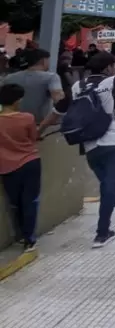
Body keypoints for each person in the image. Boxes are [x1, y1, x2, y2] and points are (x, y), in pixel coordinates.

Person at [63, 52, 115, 247]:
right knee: (110, 184)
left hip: (88, 142)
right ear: (108, 67)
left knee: (109, 184)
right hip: (113, 137)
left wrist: (41, 129)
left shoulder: (78, 86)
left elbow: (61, 109)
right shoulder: (113, 81)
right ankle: (102, 232)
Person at [0, 84, 41, 251]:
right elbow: (33, 138)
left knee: (15, 203)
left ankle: (19, 234)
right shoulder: (27, 118)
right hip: (30, 162)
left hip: (6, 166)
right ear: (17, 100)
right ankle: (29, 238)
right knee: (30, 201)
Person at [0, 48, 65, 134]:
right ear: (43, 61)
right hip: (38, 124)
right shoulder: (51, 77)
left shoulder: (9, 78)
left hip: (12, 124)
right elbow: (60, 102)